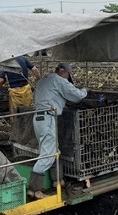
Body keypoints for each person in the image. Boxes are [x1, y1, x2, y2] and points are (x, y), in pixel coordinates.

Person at [29, 62, 87, 198]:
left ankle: (58, 181)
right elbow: (76, 96)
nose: (68, 78)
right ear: (64, 72)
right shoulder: (59, 80)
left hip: (39, 118)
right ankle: (34, 190)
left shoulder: (44, 79)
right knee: (48, 154)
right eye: (68, 75)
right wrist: (85, 90)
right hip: (48, 117)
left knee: (54, 150)